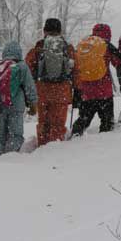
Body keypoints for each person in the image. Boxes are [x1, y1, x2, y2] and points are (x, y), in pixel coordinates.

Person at [26, 18, 74, 146]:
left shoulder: (39, 47)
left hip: (42, 90)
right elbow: (76, 69)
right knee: (58, 123)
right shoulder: (67, 47)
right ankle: (55, 148)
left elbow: (28, 67)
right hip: (61, 91)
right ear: (60, 31)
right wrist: (77, 89)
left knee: (44, 123)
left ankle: (43, 145)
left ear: (44, 31)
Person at [71, 23, 121, 136]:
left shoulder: (84, 44)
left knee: (84, 117)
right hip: (104, 91)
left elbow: (75, 65)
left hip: (86, 91)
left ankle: (74, 136)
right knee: (106, 120)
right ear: (108, 34)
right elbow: (118, 62)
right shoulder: (106, 45)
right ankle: (104, 141)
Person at [0, 41, 38, 155]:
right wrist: (33, 104)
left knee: (2, 135)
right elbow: (29, 87)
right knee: (16, 134)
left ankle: (1, 154)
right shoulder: (22, 66)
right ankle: (14, 157)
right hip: (16, 105)